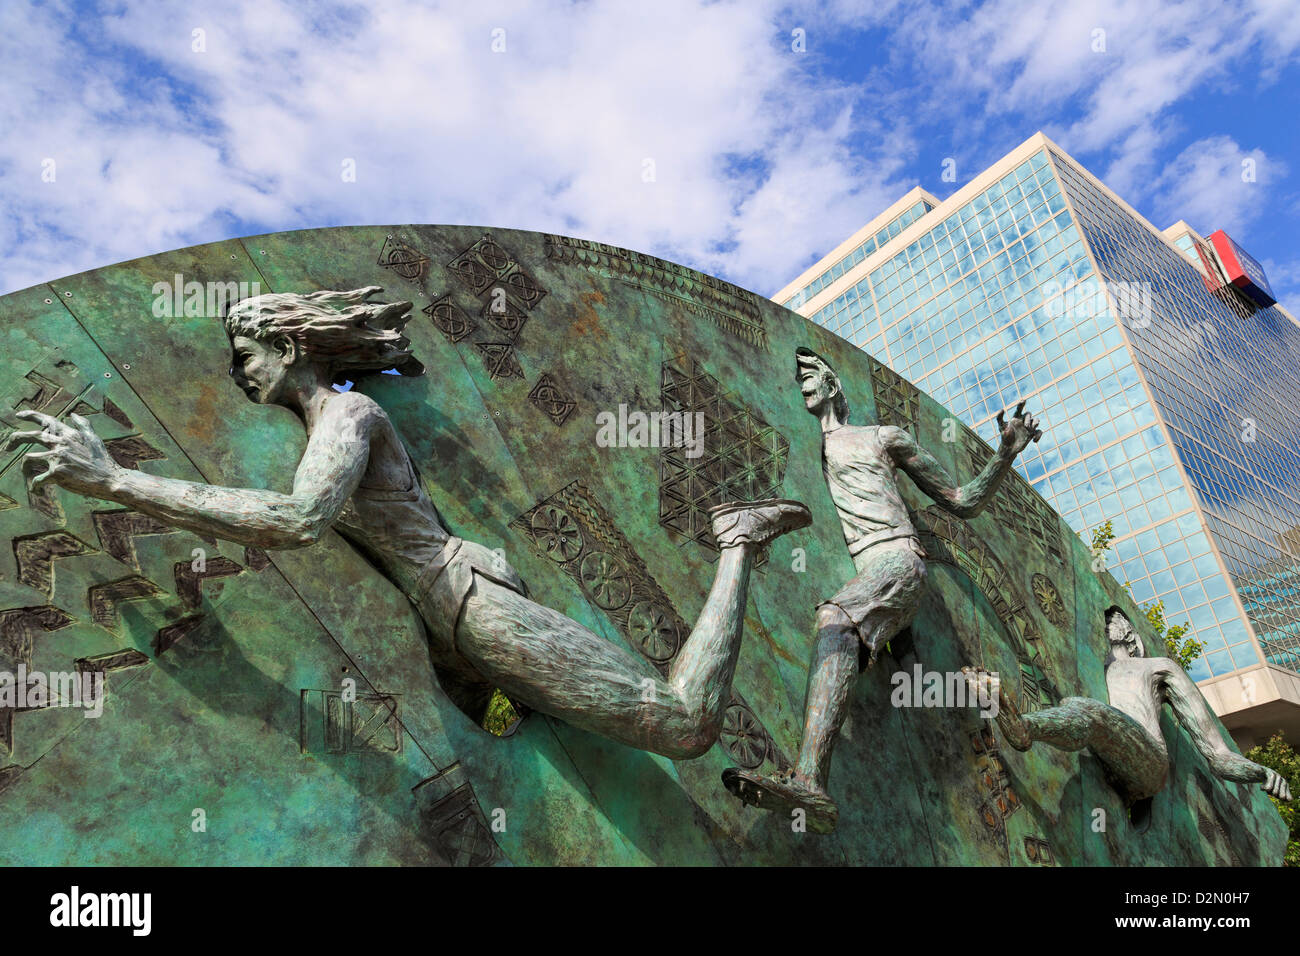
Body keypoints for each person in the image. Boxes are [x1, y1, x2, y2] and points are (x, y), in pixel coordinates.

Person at [6, 286, 811, 759]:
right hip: (453, 630)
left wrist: (113, 480)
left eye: (243, 356)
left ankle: (735, 541)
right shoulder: (322, 429)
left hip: (473, 607)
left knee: (682, 724)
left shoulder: (349, 419)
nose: (238, 373)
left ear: (287, 344)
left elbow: (295, 521)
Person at [723, 347, 1041, 831]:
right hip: (874, 580)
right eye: (797, 378)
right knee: (843, 627)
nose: (801, 381)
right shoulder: (816, 451)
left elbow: (963, 501)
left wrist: (1005, 453)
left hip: (899, 561)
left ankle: (810, 783)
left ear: (833, 385)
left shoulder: (882, 437)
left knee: (834, 618)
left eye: (810, 374)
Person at [962, 608, 1293, 804]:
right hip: (1108, 757)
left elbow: (1218, 756)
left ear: (1131, 635)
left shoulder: (1158, 667)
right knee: (1080, 708)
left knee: (1089, 711)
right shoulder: (1091, 667)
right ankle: (1028, 723)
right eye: (1104, 620)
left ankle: (1023, 729)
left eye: (1113, 619)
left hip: (1148, 762)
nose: (1106, 622)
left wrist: (1262, 771)